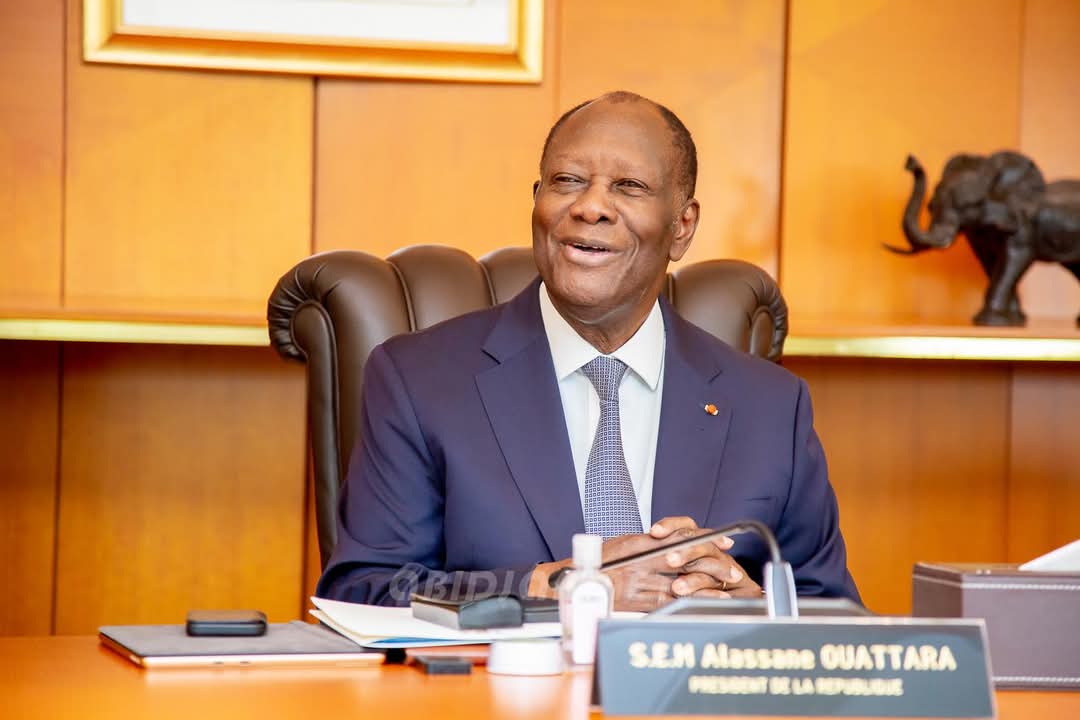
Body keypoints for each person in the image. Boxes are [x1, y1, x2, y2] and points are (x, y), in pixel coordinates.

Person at [316, 91, 860, 610]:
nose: (591, 206)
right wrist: (564, 585)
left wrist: (759, 614)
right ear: (537, 202)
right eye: (568, 181)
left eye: (629, 186)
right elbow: (366, 590)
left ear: (682, 227)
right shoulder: (419, 381)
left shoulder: (771, 407)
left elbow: (837, 621)